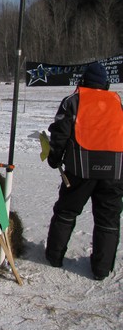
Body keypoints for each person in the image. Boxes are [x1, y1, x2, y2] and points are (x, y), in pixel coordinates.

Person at [45, 62, 123, 281]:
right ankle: (101, 270)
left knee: (66, 212)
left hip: (80, 169)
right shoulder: (117, 102)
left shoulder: (73, 101)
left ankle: (54, 256)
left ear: (83, 81)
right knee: (108, 219)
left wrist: (54, 158)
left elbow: (60, 134)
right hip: (115, 171)